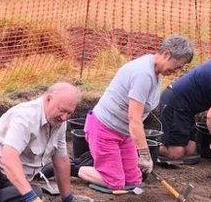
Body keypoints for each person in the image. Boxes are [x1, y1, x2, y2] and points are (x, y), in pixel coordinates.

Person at [76, 36, 194, 190]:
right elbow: (134, 119)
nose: (176, 71)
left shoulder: (154, 71)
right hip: (105, 129)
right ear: (166, 54)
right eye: (177, 66)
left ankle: (104, 164)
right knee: (115, 183)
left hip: (124, 134)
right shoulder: (143, 74)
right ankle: (74, 168)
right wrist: (145, 155)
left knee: (134, 181)